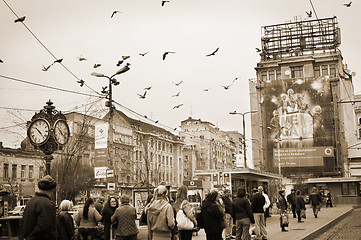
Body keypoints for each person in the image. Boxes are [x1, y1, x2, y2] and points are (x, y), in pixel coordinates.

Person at [23, 175, 58, 240]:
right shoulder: (47, 204)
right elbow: (44, 226)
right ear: (50, 190)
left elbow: (22, 223)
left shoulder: (30, 202)